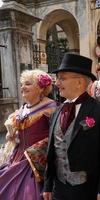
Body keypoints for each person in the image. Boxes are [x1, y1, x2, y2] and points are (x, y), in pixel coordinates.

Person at [43, 53, 100, 200]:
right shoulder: (56, 112)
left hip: (87, 190)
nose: (57, 83)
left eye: (62, 78)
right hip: (58, 188)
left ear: (79, 82)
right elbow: (52, 151)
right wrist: (48, 184)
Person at [0, 69, 56, 199]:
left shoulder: (51, 108)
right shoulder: (23, 108)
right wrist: (12, 137)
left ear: (41, 88)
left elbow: (57, 137)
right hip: (16, 157)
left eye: (28, 83)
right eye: (22, 84)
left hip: (36, 163)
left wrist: (36, 150)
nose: (23, 87)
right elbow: (19, 133)